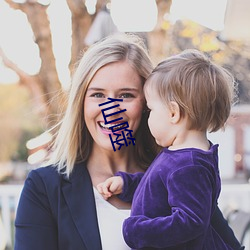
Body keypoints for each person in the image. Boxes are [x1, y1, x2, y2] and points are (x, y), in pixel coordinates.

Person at [14, 34, 243, 250]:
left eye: (126, 95)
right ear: (81, 103)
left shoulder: (179, 171)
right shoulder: (44, 187)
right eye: (98, 95)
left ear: (148, 104)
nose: (110, 110)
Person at [97, 49, 244, 249]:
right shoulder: (183, 157)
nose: (148, 117)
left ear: (173, 113)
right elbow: (159, 188)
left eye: (151, 109)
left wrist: (138, 230)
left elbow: (190, 222)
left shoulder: (188, 166)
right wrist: (128, 184)